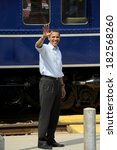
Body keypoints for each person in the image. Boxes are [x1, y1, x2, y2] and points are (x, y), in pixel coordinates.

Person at [35, 25, 66, 149]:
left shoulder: (58, 51)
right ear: (49, 38)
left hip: (57, 82)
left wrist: (62, 85)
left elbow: (59, 70)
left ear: (60, 38)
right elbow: (37, 45)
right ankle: (41, 141)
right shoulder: (45, 48)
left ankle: (51, 139)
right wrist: (43, 36)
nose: (55, 39)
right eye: (53, 37)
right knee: (45, 113)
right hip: (47, 82)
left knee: (54, 113)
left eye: (57, 37)